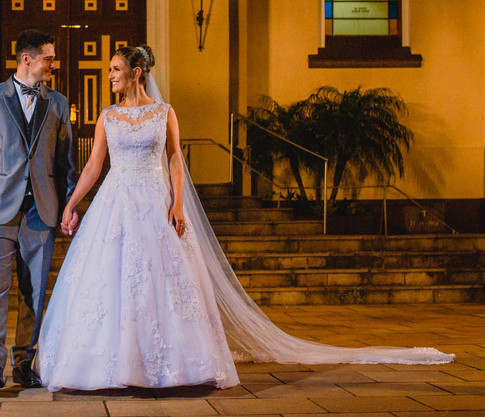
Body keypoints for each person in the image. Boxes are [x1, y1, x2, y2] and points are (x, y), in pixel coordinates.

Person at [36, 44, 453, 392]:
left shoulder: (164, 113)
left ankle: (170, 366)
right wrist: (72, 204)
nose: (110, 75)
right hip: (116, 204)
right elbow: (94, 166)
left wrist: (177, 203)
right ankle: (112, 363)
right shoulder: (107, 117)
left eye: (115, 69)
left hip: (155, 200)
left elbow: (175, 159)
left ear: (136, 73)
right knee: (111, 281)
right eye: (110, 70)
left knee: (161, 282)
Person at [0, 29, 77, 390]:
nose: (53, 65)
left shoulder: (57, 103)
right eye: (48, 59)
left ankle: (25, 361)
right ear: (27, 59)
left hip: (41, 210)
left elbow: (67, 162)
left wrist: (69, 206)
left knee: (35, 290)